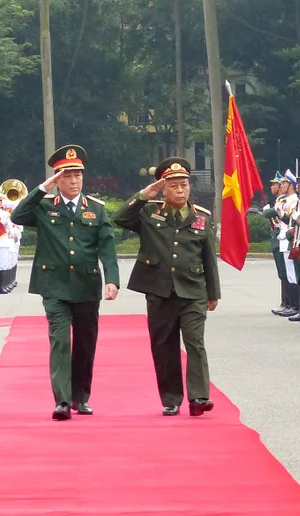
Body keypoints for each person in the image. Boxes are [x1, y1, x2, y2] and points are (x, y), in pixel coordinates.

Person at [11, 144, 120, 421]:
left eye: (77, 176)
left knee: (85, 344)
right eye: (67, 176)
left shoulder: (96, 209)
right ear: (58, 179)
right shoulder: (44, 206)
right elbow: (17, 216)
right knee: (60, 341)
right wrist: (42, 188)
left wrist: (112, 280)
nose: (73, 181)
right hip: (54, 286)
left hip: (86, 286)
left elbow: (107, 247)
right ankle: (61, 400)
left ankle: (80, 398)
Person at [114, 157, 221, 417]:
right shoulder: (150, 213)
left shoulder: (201, 218)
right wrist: (142, 196)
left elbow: (209, 258)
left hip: (192, 291)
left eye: (184, 185)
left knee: (195, 343)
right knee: (164, 346)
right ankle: (171, 398)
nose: (180, 190)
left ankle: (198, 397)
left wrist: (212, 293)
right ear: (163, 188)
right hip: (160, 290)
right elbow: (120, 218)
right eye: (173, 186)